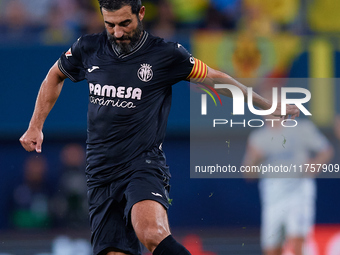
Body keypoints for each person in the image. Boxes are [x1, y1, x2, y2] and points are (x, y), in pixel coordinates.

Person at [19, 1, 300, 254]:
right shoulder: (88, 47)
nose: (117, 33)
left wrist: (266, 105)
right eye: (110, 25)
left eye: (124, 23)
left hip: (142, 164)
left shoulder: (165, 54)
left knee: (151, 232)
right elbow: (55, 75)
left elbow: (216, 79)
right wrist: (35, 126)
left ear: (141, 14)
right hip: (100, 170)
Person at [242, 112, 333, 255]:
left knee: (297, 241)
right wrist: (254, 160)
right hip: (273, 197)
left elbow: (326, 150)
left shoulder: (301, 128)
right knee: (271, 248)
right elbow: (249, 174)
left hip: (298, 191)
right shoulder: (257, 137)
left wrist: (316, 164)